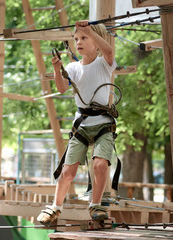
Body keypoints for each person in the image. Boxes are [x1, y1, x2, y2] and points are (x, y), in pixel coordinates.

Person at [37, 20, 117, 226]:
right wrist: (57, 69)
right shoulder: (73, 67)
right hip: (81, 124)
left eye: (84, 38)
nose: (78, 42)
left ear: (96, 42)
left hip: (103, 123)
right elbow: (63, 87)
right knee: (68, 172)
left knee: (100, 164)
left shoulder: (104, 62)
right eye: (76, 39)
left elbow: (108, 49)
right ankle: (56, 206)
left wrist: (90, 29)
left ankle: (96, 204)